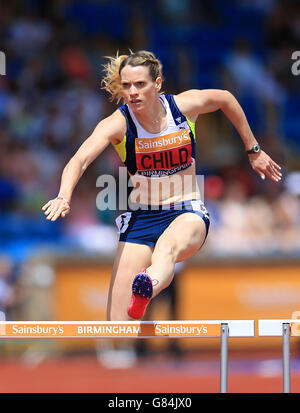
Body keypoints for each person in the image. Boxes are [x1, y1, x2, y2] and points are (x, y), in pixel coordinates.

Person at [42, 50, 282, 322]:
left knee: (166, 250)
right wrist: (64, 195)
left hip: (185, 211)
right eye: (127, 86)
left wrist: (253, 149)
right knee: (115, 323)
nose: (132, 92)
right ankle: (138, 298)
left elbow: (226, 98)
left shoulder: (182, 107)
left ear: (156, 84)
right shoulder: (118, 124)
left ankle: (147, 287)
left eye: (140, 84)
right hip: (142, 217)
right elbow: (80, 159)